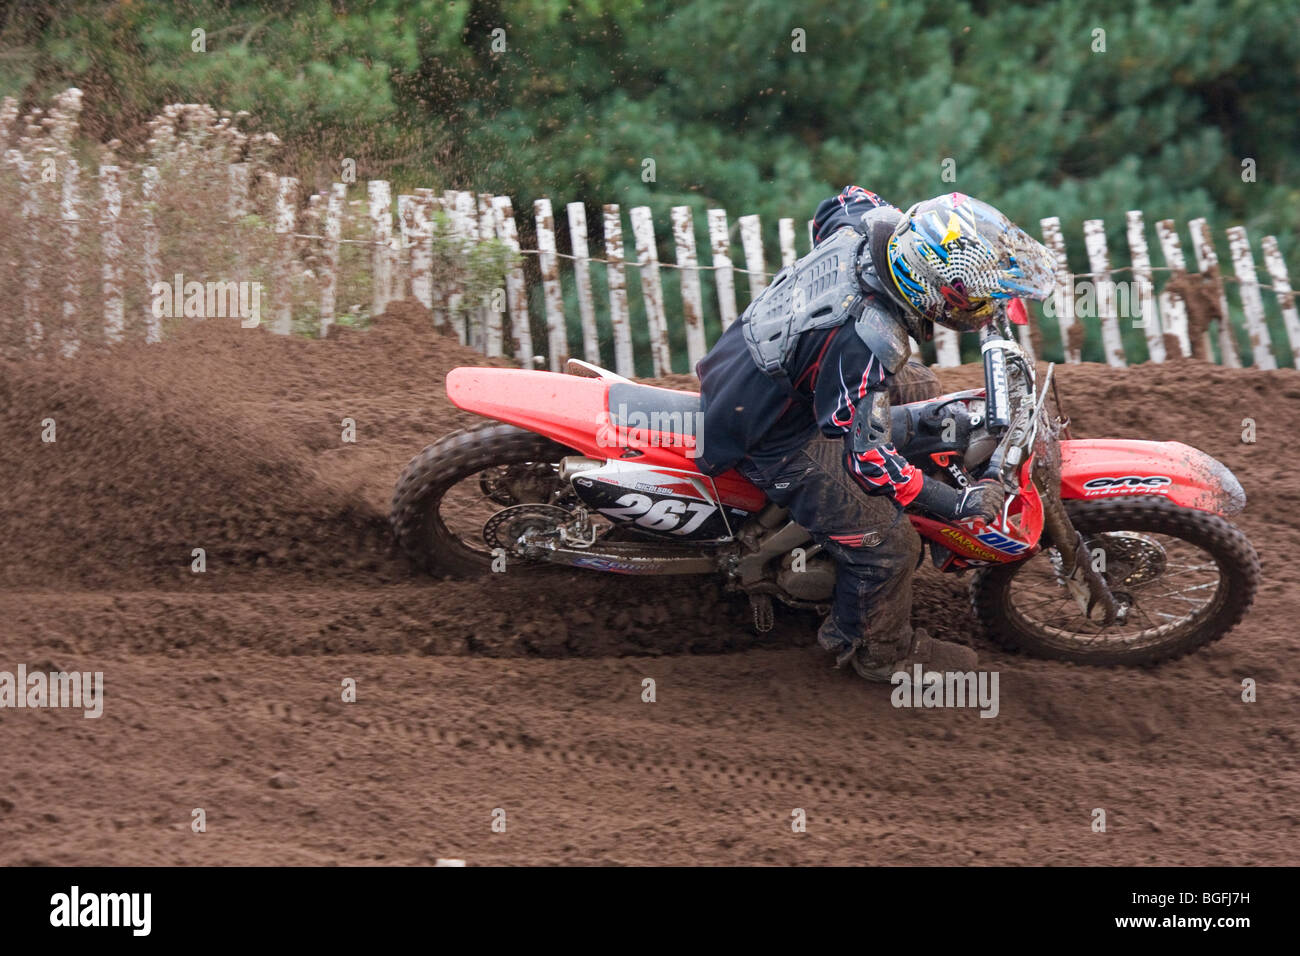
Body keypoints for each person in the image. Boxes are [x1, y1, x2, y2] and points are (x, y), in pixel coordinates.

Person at [694, 186, 1055, 680]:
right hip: (767, 430)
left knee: (924, 385)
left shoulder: (869, 225)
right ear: (930, 288)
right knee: (891, 543)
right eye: (972, 299)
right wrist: (955, 506)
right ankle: (879, 651)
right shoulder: (867, 340)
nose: (979, 308)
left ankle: (841, 545)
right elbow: (868, 458)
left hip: (758, 360)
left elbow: (837, 202)